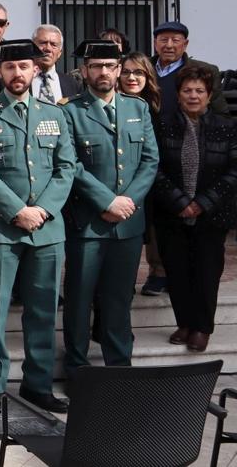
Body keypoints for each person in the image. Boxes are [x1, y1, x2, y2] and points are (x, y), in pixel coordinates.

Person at [0, 39, 75, 416]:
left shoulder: (55, 114)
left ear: (35, 71)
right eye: (10, 68)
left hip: (47, 229)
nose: (17, 74)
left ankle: (38, 384)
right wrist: (17, 211)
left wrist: (42, 210)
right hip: (2, 228)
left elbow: (67, 168)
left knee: (43, 309)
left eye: (24, 67)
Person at [61, 41, 158, 371]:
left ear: (119, 70)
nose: (104, 72)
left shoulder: (138, 109)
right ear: (85, 71)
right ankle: (77, 369)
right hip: (88, 222)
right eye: (97, 66)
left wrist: (126, 202)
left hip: (127, 223)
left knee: (119, 300)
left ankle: (119, 368)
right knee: (79, 300)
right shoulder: (69, 111)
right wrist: (106, 201)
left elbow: (149, 160)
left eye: (110, 65)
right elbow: (69, 164)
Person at [152, 66, 237, 353]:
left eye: (199, 91)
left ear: (209, 95)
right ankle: (184, 323)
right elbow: (155, 168)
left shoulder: (226, 126)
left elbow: (234, 171)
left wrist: (202, 202)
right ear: (178, 94)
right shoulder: (162, 124)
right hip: (171, 213)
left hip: (212, 214)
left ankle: (202, 327)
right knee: (176, 270)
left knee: (207, 272)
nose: (193, 95)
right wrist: (180, 202)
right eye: (187, 90)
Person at [121, 52, 168, 296]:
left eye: (138, 72)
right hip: (123, 184)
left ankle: (157, 274)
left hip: (155, 179)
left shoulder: (157, 105)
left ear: (147, 76)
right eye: (126, 71)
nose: (131, 77)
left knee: (153, 230)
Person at [152, 21, 228, 118]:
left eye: (175, 40)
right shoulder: (142, 68)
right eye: (164, 40)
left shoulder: (205, 70)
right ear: (155, 43)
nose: (169, 45)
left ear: (185, 44)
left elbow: (220, 113)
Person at [31, 24, 80, 103]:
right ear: (32, 47)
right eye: (43, 43)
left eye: (54, 45)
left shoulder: (72, 84)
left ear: (60, 53)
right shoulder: (20, 80)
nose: (48, 48)